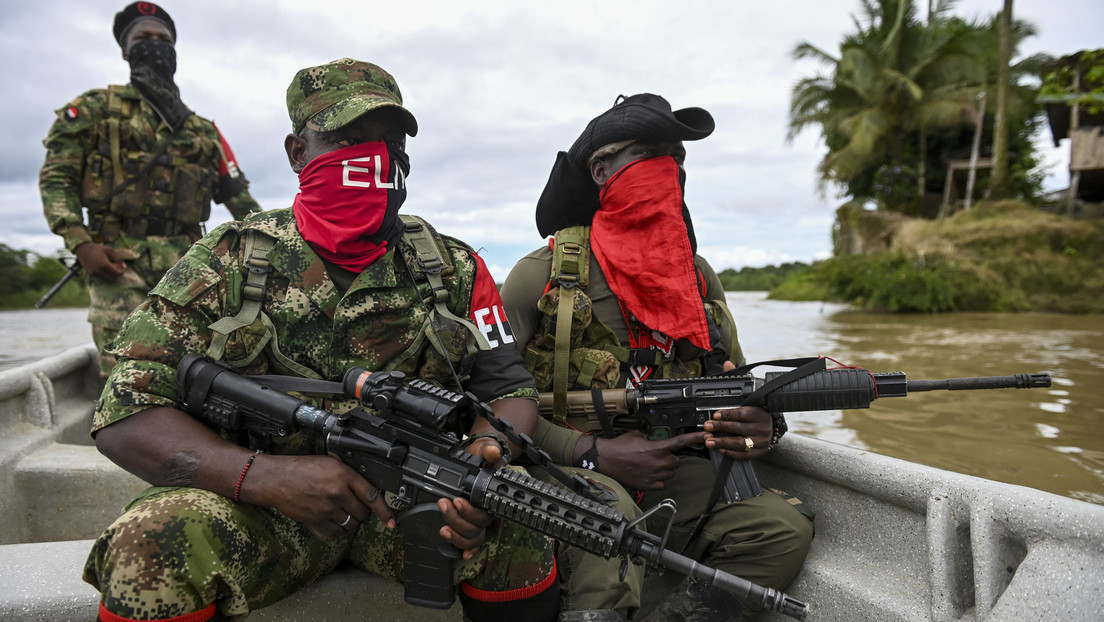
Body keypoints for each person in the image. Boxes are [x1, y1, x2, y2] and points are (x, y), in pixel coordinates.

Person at [82, 58, 564, 622]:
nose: (375, 158)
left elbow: (509, 387)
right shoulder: (227, 260)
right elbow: (126, 410)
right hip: (255, 508)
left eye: (389, 141)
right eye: (347, 138)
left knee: (519, 521)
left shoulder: (454, 267)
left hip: (412, 505)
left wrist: (481, 462)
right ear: (296, 153)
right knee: (151, 543)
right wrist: (262, 477)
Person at [500, 93, 815, 621]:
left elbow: (739, 388)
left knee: (781, 529)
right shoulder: (541, 277)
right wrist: (592, 453)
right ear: (602, 171)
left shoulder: (697, 277)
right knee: (609, 518)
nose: (669, 171)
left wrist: (761, 427)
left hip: (670, 470)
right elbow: (489, 406)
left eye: (678, 160)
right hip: (559, 467)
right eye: (650, 155)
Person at [39, 2, 261, 378]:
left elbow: (239, 199)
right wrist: (81, 243)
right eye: (143, 38)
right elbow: (56, 179)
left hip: (191, 265)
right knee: (124, 370)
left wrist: (271, 248)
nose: (154, 45)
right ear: (126, 50)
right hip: (116, 259)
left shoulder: (203, 130)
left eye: (163, 39)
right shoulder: (93, 109)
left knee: (197, 367)